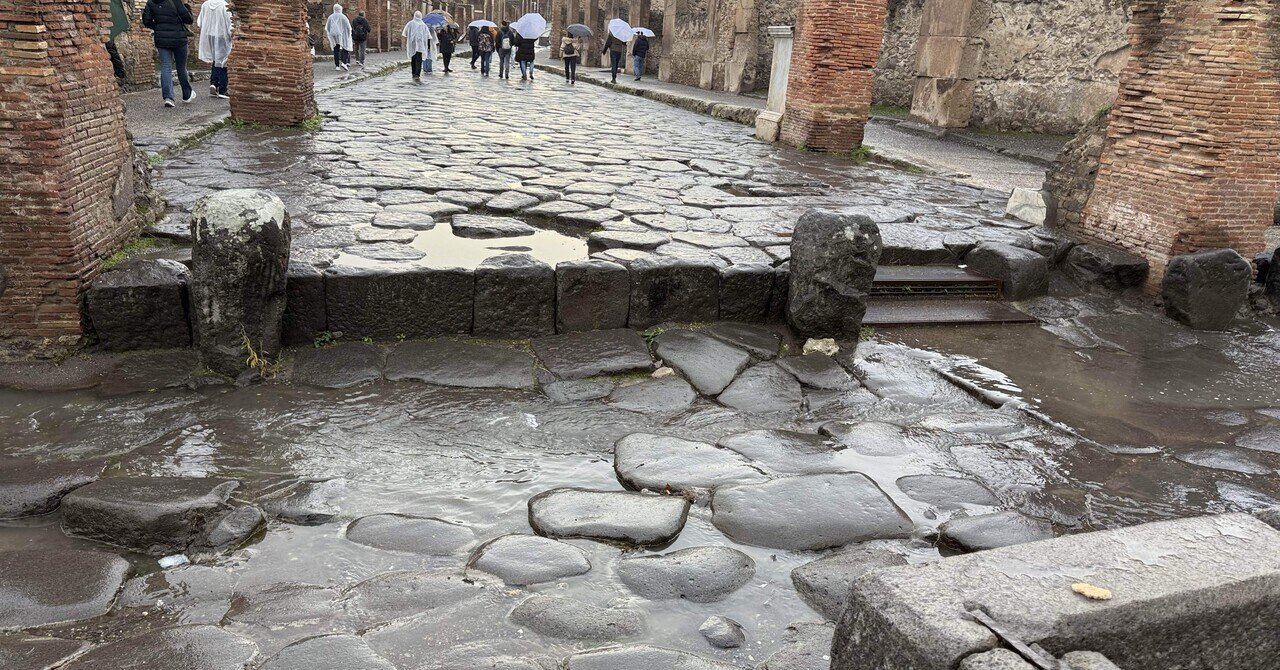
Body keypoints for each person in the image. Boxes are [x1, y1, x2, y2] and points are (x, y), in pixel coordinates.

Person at [142, 0, 195, 108]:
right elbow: (188, 19)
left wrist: (158, 27)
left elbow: (146, 20)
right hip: (179, 38)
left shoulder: (151, 2)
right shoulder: (176, 1)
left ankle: (168, 97)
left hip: (161, 39)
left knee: (166, 66)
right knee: (181, 67)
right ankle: (187, 94)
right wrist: (186, 6)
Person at [197, 0, 232, 99]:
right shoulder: (225, 6)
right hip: (222, 36)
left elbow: (200, 22)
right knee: (223, 61)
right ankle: (222, 89)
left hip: (209, 35)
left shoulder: (206, 4)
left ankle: (214, 82)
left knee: (216, 59)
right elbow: (229, 23)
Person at [403, 11, 431, 84]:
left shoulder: (410, 24)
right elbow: (428, 36)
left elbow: (405, 33)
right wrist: (427, 46)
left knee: (413, 58)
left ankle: (413, 73)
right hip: (420, 45)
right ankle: (417, 74)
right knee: (419, 59)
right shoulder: (423, 25)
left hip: (412, 45)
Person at [107, 0, 130, 85]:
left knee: (111, 48)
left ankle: (120, 74)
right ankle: (120, 74)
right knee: (111, 48)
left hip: (106, 27)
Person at [326, 4, 353, 71]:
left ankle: (337, 65)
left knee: (336, 49)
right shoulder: (343, 17)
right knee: (345, 48)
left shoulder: (330, 17)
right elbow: (348, 27)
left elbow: (328, 27)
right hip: (343, 35)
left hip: (333, 35)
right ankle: (344, 62)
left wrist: (330, 34)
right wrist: (349, 35)